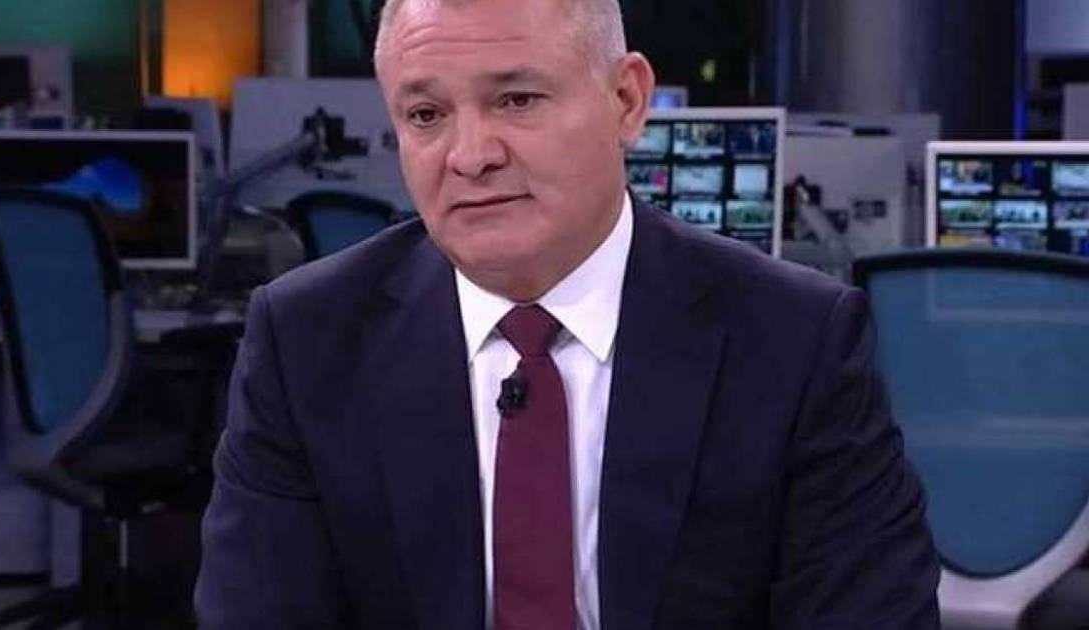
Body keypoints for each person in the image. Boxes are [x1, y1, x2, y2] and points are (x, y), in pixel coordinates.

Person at [194, 0, 941, 627]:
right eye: (426, 114)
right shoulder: (307, 339)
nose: (470, 155)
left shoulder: (794, 341)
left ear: (626, 101)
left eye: (516, 100)